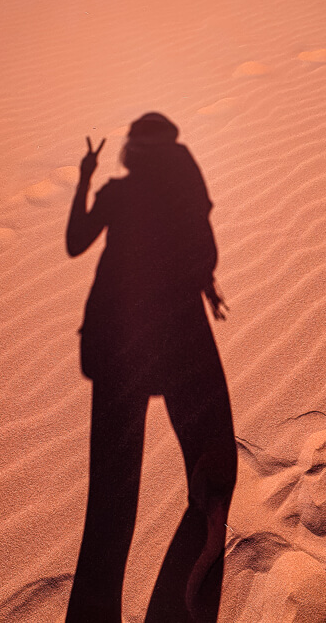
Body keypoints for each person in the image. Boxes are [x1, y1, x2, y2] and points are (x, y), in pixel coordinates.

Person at [65, 113, 236, 622]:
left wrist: (84, 178)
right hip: (180, 340)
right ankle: (194, 568)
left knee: (111, 493)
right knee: (211, 456)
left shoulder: (119, 195)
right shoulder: (185, 198)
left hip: (115, 345)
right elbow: (204, 250)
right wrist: (202, 283)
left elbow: (75, 242)